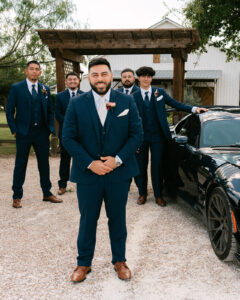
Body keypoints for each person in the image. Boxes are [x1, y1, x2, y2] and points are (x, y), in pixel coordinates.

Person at [62, 58, 143, 282]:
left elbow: (137, 135)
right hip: (88, 174)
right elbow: (67, 137)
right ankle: (83, 263)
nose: (99, 79)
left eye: (104, 74)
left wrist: (116, 160)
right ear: (89, 78)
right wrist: (90, 163)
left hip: (118, 174)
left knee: (117, 218)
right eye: (95, 75)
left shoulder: (127, 102)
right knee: (88, 219)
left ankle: (120, 260)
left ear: (111, 76)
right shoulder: (77, 103)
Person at [132, 66, 208, 207]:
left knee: (157, 166)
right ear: (138, 78)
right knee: (140, 166)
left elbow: (175, 103)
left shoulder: (159, 92)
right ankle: (142, 193)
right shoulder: (133, 96)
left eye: (149, 76)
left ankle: (158, 195)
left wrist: (194, 109)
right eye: (143, 76)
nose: (146, 78)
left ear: (151, 78)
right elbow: (128, 119)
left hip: (158, 137)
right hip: (140, 138)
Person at [6, 60, 62, 208]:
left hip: (41, 133)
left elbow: (50, 111)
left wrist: (50, 128)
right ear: (26, 71)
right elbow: (9, 110)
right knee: (20, 164)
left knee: (44, 164)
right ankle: (17, 196)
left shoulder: (44, 88)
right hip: (23, 132)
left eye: (37, 69)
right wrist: (14, 129)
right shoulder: (17, 88)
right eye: (32, 69)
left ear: (40, 72)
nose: (34, 71)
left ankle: (47, 193)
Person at [55, 72, 84, 195]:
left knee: (82, 158)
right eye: (70, 79)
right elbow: (58, 114)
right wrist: (69, 125)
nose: (72, 81)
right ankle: (62, 185)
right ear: (66, 82)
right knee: (65, 159)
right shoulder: (60, 96)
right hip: (66, 133)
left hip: (82, 134)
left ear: (78, 81)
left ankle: (82, 183)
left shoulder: (84, 95)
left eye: (75, 79)